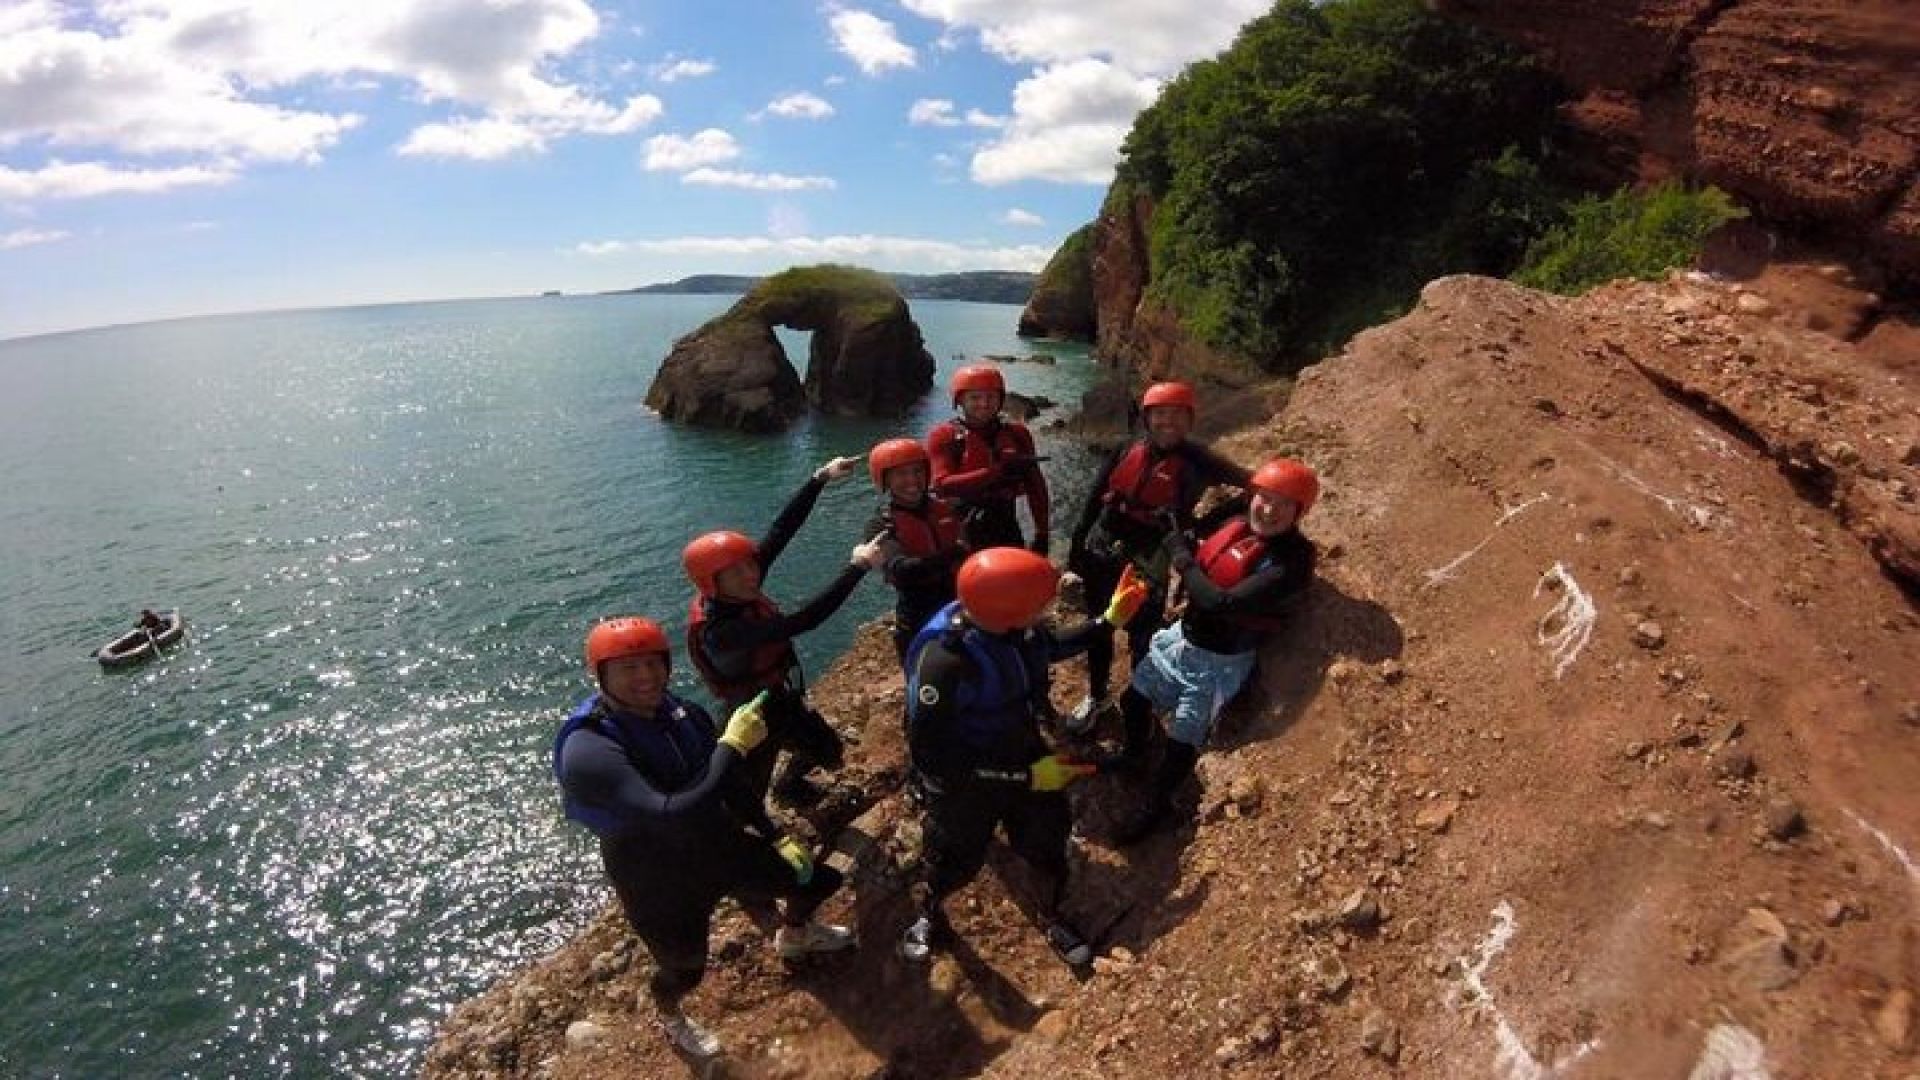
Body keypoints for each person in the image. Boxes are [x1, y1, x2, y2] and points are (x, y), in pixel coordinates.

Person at [554, 617, 856, 1061]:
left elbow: (728, 783)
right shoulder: (589, 749)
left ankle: (794, 935)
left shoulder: (677, 712)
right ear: (600, 675)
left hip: (714, 842)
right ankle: (672, 1016)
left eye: (654, 663)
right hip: (654, 877)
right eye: (628, 668)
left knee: (815, 881)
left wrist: (773, 834)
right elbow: (669, 811)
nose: (646, 677)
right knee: (685, 968)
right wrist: (731, 746)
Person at [897, 547, 1150, 967]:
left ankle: (1051, 915)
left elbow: (1049, 646)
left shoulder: (1010, 628)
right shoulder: (945, 664)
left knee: (1047, 844)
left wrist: (1107, 621)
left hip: (1018, 747)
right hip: (965, 774)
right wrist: (1026, 777)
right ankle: (931, 915)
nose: (1048, 609)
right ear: (1008, 611)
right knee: (951, 860)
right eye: (1040, 603)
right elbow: (934, 756)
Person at [1109, 458, 1320, 845]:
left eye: (1283, 505)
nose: (1268, 510)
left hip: (1218, 664)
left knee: (1181, 743)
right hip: (1180, 640)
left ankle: (1156, 803)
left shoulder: (1293, 560)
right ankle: (1135, 754)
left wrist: (1180, 555)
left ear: (1299, 512)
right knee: (1133, 702)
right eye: (1264, 498)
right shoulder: (1236, 515)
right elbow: (1192, 529)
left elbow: (1219, 602)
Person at [684, 456, 888, 807]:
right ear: (712, 583)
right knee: (746, 792)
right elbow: (804, 620)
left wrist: (818, 479)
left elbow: (780, 532)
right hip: (750, 713)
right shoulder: (722, 631)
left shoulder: (735, 588)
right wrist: (858, 566)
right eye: (736, 572)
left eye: (750, 565)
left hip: (782, 695)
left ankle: (790, 787)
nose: (750, 575)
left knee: (828, 750)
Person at [1064, 381, 1252, 733]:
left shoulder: (1200, 460)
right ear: (1147, 419)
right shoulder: (1125, 448)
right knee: (1101, 625)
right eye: (1161, 414)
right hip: (1106, 546)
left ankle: (1140, 700)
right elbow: (1094, 497)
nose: (1169, 423)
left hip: (1152, 555)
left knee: (1141, 635)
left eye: (1178, 415)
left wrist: (1200, 525)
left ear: (1190, 420)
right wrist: (1077, 545)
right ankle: (1097, 695)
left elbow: (1251, 485)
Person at [861, 438, 967, 662]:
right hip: (917, 613)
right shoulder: (881, 525)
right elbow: (901, 569)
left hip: (960, 603)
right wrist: (953, 553)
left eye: (918, 471)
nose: (912, 480)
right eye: (900, 474)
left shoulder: (948, 507)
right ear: (884, 480)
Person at [927, 365, 1052, 554]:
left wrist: (1042, 533)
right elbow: (941, 485)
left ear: (1001, 399)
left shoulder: (1017, 434)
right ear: (960, 400)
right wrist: (997, 471)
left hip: (1006, 527)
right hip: (962, 533)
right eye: (975, 398)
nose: (984, 404)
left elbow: (1036, 487)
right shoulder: (945, 436)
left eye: (991, 397)